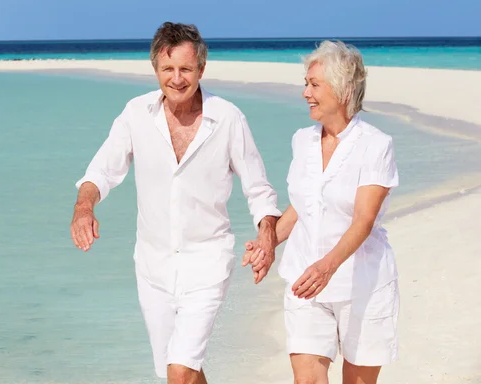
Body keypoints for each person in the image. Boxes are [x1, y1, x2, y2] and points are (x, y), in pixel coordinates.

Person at [70, 22, 281, 384]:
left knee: (179, 373)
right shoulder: (136, 114)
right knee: (180, 370)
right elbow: (101, 171)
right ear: (155, 69)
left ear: (202, 68)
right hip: (153, 269)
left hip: (208, 263)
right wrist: (84, 208)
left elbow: (258, 189)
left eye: (186, 69)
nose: (177, 79)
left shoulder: (228, 118)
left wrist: (267, 237)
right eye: (168, 69)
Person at [246, 40, 400, 384]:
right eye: (306, 83)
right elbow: (303, 206)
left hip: (363, 283)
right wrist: (269, 243)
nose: (305, 93)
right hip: (305, 281)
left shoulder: (376, 145)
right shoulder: (302, 140)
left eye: (314, 84)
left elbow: (364, 220)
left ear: (343, 90)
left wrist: (327, 267)